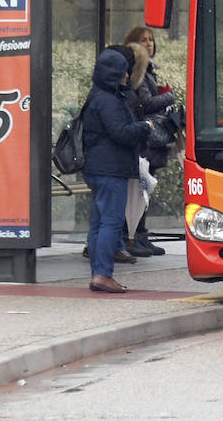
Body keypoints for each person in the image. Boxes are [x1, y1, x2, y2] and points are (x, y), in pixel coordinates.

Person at [83, 46, 152, 293]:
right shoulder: (109, 100)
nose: (127, 76)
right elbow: (121, 133)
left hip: (98, 168)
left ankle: (98, 273)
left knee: (99, 223)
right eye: (123, 71)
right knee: (111, 222)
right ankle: (103, 274)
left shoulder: (97, 95)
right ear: (114, 74)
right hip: (110, 169)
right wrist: (145, 126)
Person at [123, 27, 176, 256]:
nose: (149, 43)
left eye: (151, 40)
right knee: (140, 188)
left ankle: (141, 235)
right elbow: (146, 102)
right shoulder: (139, 71)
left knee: (146, 188)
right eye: (143, 40)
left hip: (149, 139)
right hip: (144, 138)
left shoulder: (150, 70)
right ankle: (134, 237)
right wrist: (169, 97)